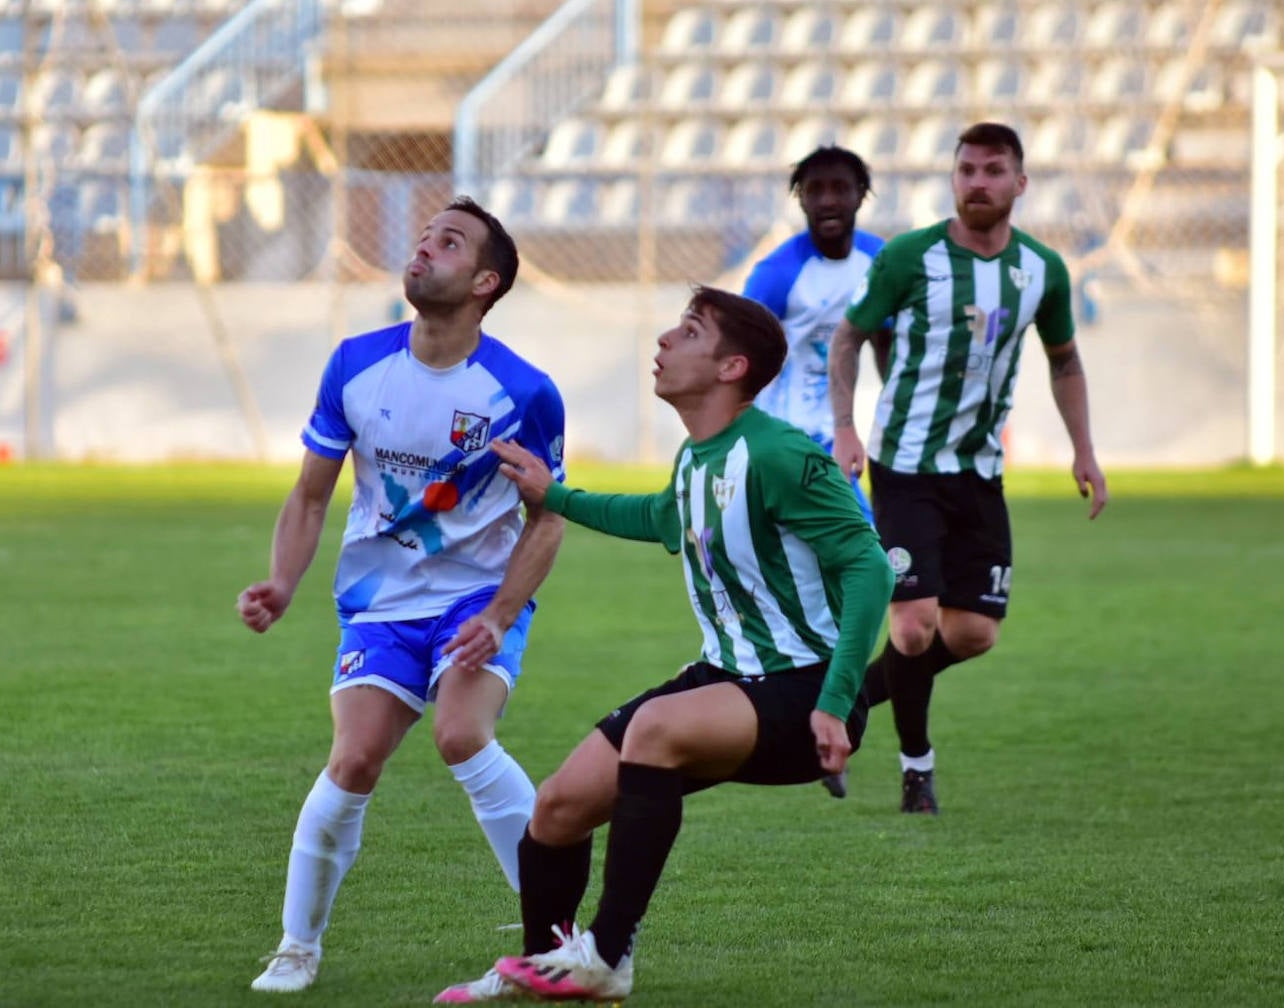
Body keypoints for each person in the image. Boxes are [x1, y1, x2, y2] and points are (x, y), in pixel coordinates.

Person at [432, 285, 894, 1004]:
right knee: (556, 810)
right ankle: (542, 967)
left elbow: (867, 567)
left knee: (653, 730)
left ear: (732, 366)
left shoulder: (780, 453)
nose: (663, 342)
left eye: (687, 332)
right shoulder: (698, 458)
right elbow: (658, 515)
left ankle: (607, 956)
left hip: (805, 690)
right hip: (725, 675)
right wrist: (554, 496)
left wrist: (837, 702)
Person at [239, 196, 567, 993]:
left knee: (461, 734)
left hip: (477, 599)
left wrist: (496, 616)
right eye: (423, 239)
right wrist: (283, 581)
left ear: (486, 281)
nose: (423, 251)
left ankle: (560, 941)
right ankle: (296, 946)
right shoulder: (356, 362)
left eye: (447, 243)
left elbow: (548, 521)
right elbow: (312, 495)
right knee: (352, 759)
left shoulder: (523, 391)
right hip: (380, 603)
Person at [828, 121, 1109, 815]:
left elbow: (1064, 358)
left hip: (979, 470)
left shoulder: (1042, 269)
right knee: (914, 625)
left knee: (973, 633)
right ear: (953, 179)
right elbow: (849, 337)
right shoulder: (909, 258)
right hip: (905, 466)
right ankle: (916, 769)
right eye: (966, 170)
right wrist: (845, 429)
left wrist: (1085, 448)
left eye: (992, 170)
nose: (977, 182)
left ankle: (849, 698)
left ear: (1020, 182)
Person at [743, 143, 884, 527]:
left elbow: (888, 342)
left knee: (857, 554)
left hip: (835, 438)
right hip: (781, 438)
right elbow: (736, 353)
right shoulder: (776, 273)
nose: (827, 201)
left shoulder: (878, 261)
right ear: (800, 199)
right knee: (865, 546)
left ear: (860, 195)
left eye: (840, 188)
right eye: (814, 190)